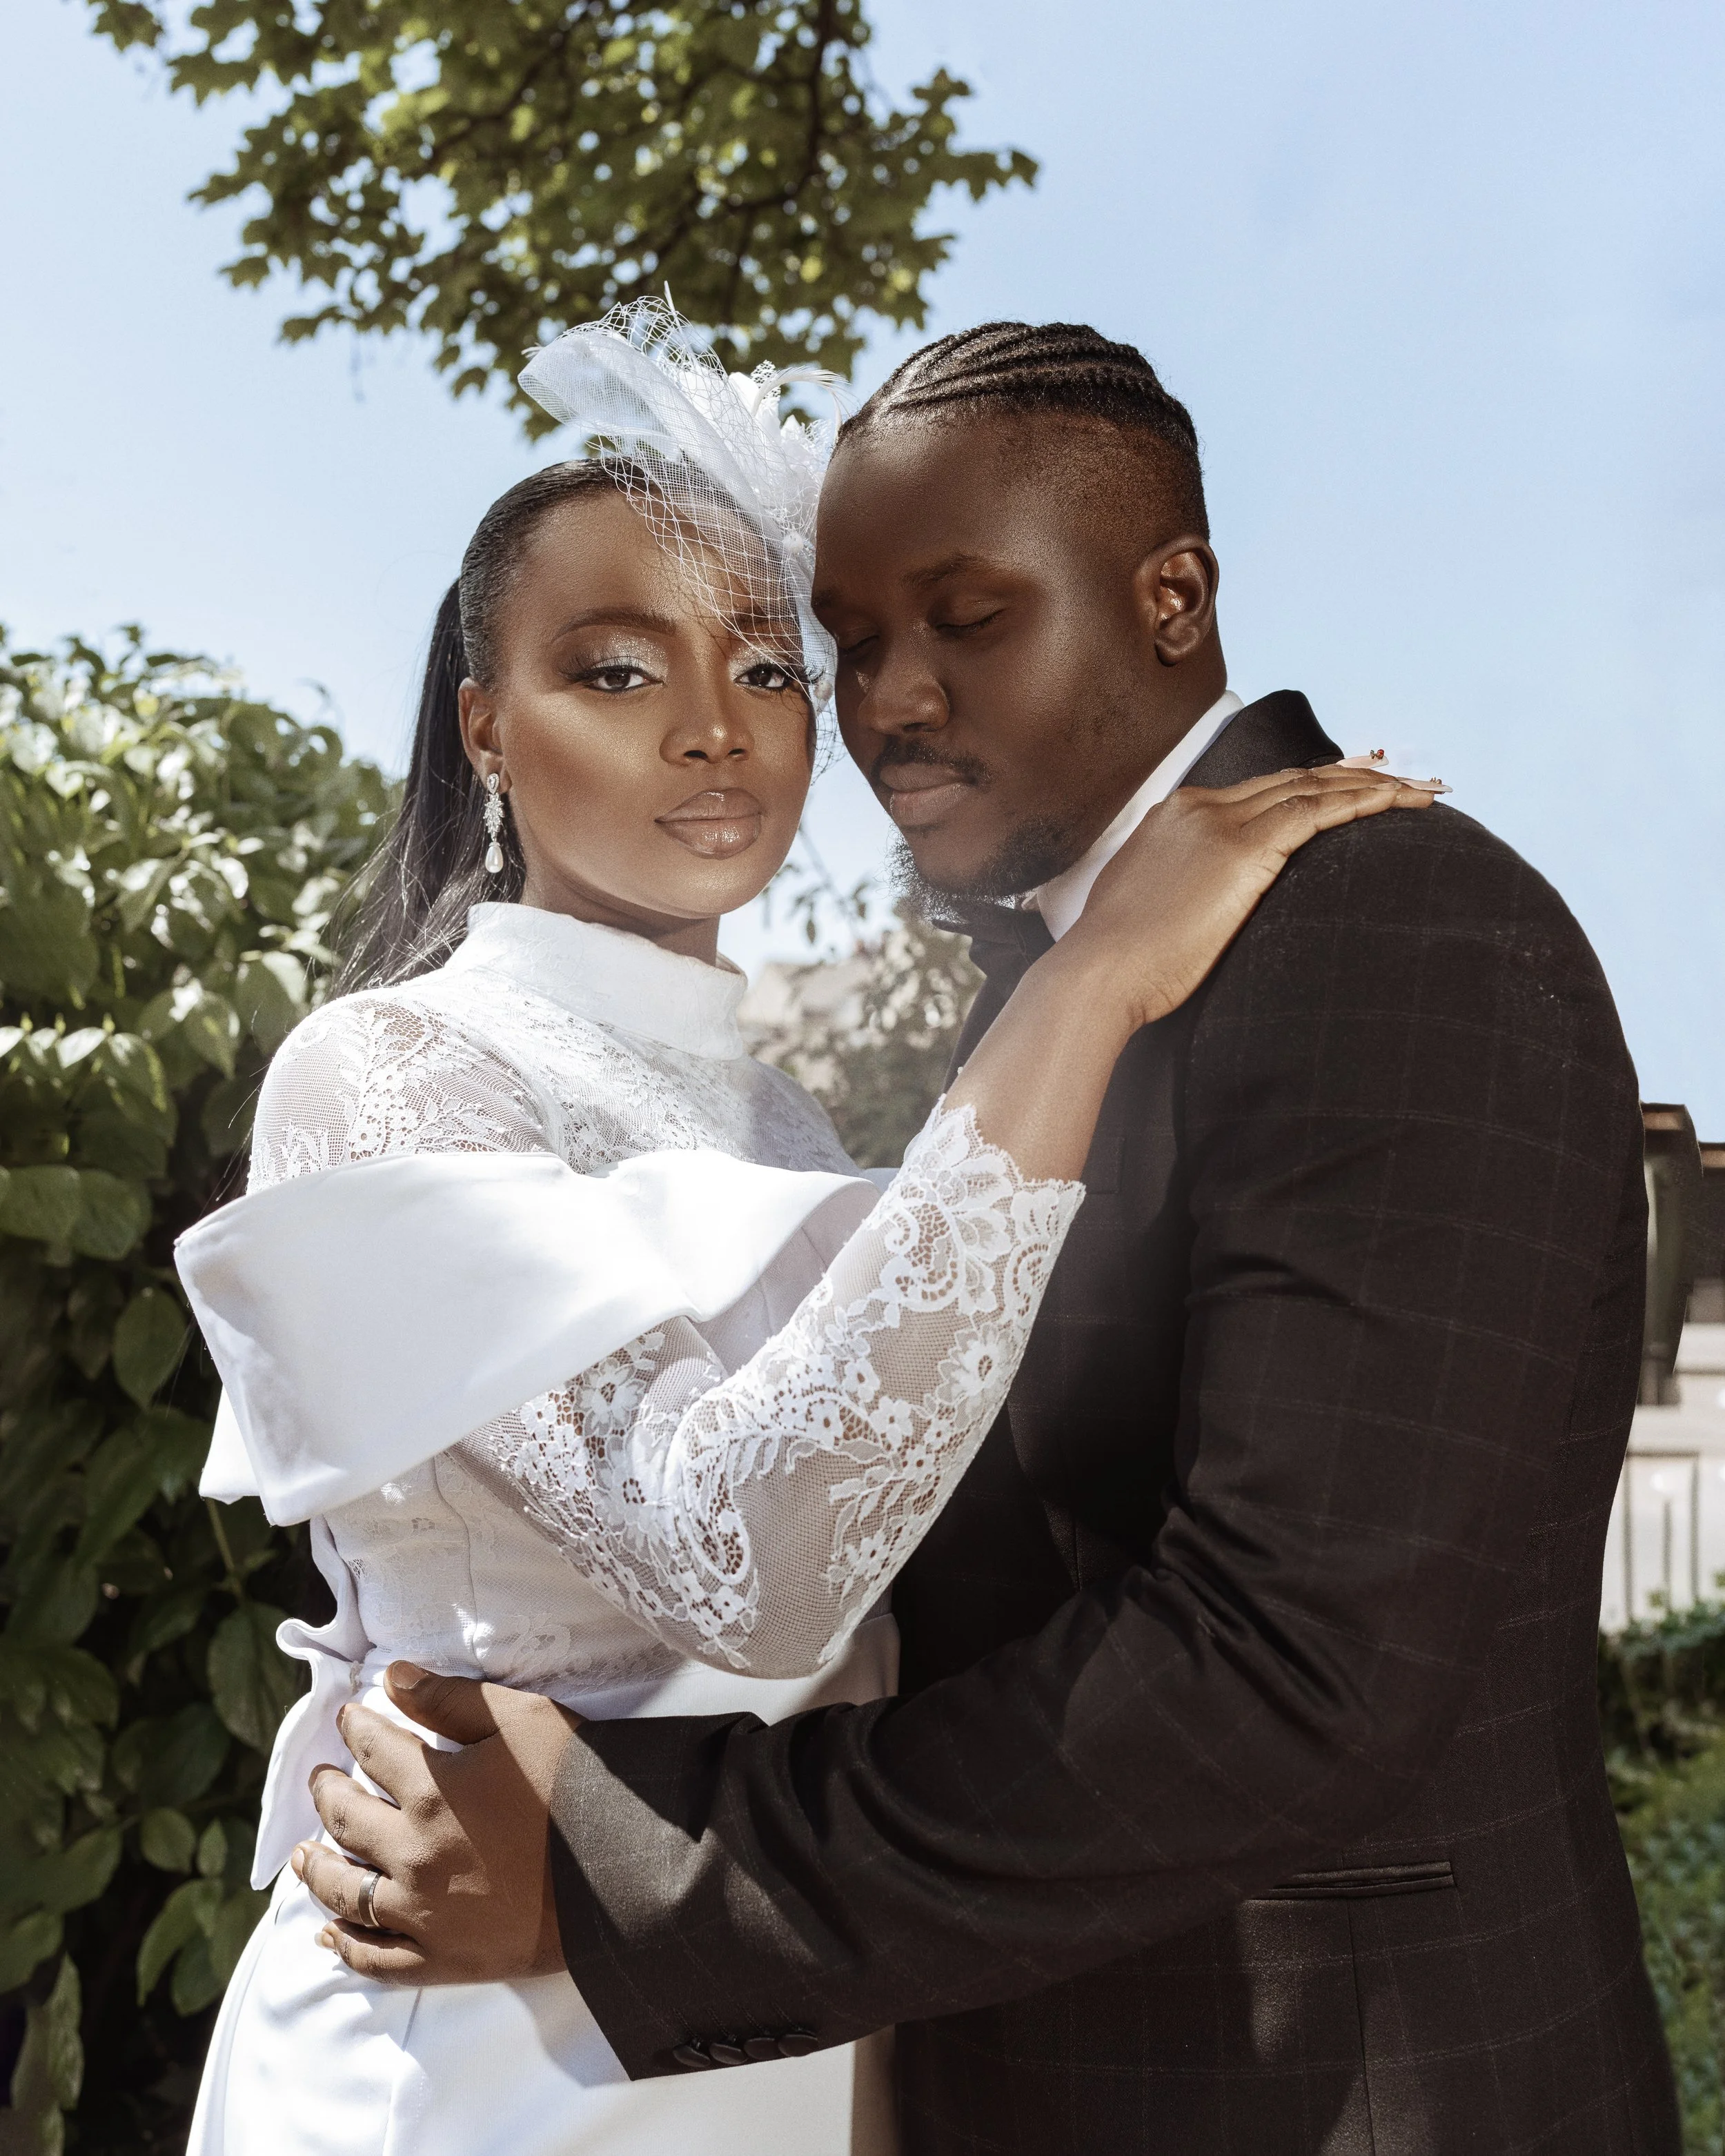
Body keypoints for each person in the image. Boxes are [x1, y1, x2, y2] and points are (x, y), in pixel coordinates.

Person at [294, 323, 1679, 2156]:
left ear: (1172, 594)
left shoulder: (1388, 921)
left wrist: (616, 1857)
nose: (887, 701)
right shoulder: (1045, 1007)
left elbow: (1288, 1672)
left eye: (966, 616)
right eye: (855, 639)